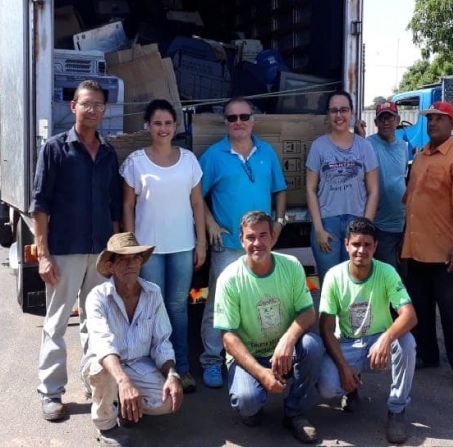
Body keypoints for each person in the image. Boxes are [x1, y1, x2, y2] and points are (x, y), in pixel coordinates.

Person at [30, 79, 122, 421]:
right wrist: (43, 254)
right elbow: (39, 205)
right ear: (74, 107)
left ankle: (93, 379)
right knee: (55, 322)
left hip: (100, 253)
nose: (93, 110)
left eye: (99, 105)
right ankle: (51, 391)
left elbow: (114, 207)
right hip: (64, 250)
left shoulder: (109, 153)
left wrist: (114, 251)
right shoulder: (55, 149)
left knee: (95, 323)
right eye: (87, 104)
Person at [199, 97, 288, 388]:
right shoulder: (214, 155)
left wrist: (279, 221)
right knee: (217, 303)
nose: (238, 122)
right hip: (227, 244)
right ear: (225, 122)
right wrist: (210, 223)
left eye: (243, 116)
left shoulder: (267, 153)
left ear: (254, 119)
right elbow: (195, 195)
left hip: (260, 244)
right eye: (231, 118)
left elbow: (280, 189)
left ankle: (250, 357)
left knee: (258, 300)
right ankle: (212, 360)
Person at [214, 211, 324, 443]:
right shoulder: (229, 278)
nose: (257, 243)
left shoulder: (291, 266)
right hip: (249, 354)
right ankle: (255, 402)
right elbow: (228, 337)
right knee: (247, 402)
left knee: (312, 346)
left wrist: (287, 340)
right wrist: (262, 374)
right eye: (251, 237)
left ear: (273, 237)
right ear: (241, 240)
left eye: (263, 236)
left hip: (283, 352)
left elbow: (308, 312)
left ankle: (295, 412)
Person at [120, 99, 206, 392]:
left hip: (183, 245)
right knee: (152, 309)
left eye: (168, 123)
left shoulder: (189, 161)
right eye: (157, 123)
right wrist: (131, 248)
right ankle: (155, 369)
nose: (163, 128)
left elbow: (197, 203)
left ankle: (182, 368)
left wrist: (201, 242)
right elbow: (128, 206)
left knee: (178, 307)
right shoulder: (135, 162)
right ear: (147, 126)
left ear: (176, 127)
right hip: (148, 251)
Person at [317, 218, 417, 445]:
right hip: (348, 343)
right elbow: (326, 327)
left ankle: (397, 410)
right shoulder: (334, 276)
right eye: (356, 244)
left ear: (375, 247)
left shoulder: (387, 272)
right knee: (326, 386)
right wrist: (343, 367)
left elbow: (409, 315)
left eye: (367, 245)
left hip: (377, 343)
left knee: (407, 343)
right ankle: (350, 388)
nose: (361, 250)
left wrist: (385, 338)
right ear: (346, 245)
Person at [401, 101, 453, 388]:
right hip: (417, 248)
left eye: (439, 119)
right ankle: (427, 354)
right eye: (430, 118)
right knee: (419, 308)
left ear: (451, 123)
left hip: (445, 251)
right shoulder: (421, 156)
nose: (432, 123)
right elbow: (410, 201)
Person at [82, 232, 183, 447]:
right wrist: (123, 381)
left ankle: (126, 405)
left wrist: (172, 374)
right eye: (123, 259)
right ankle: (106, 424)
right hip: (105, 365)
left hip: (139, 364)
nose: (131, 264)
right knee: (104, 371)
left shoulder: (153, 293)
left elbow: (161, 341)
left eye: (136, 258)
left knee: (167, 402)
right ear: (110, 266)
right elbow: (102, 344)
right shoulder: (97, 297)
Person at [306, 90, 379, 280]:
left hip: (357, 220)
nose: (339, 115)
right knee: (330, 282)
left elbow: (374, 190)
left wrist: (366, 227)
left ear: (351, 113)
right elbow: (310, 189)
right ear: (328, 115)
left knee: (355, 282)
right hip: (327, 223)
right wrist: (319, 229)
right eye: (334, 110)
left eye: (344, 110)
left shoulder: (364, 146)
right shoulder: (318, 146)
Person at [365, 102, 409, 269]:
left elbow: (402, 178)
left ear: (397, 120)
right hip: (380, 226)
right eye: (381, 118)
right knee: (388, 273)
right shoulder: (367, 144)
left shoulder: (403, 147)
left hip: (402, 224)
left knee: (405, 275)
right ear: (376, 123)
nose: (386, 122)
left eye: (390, 118)